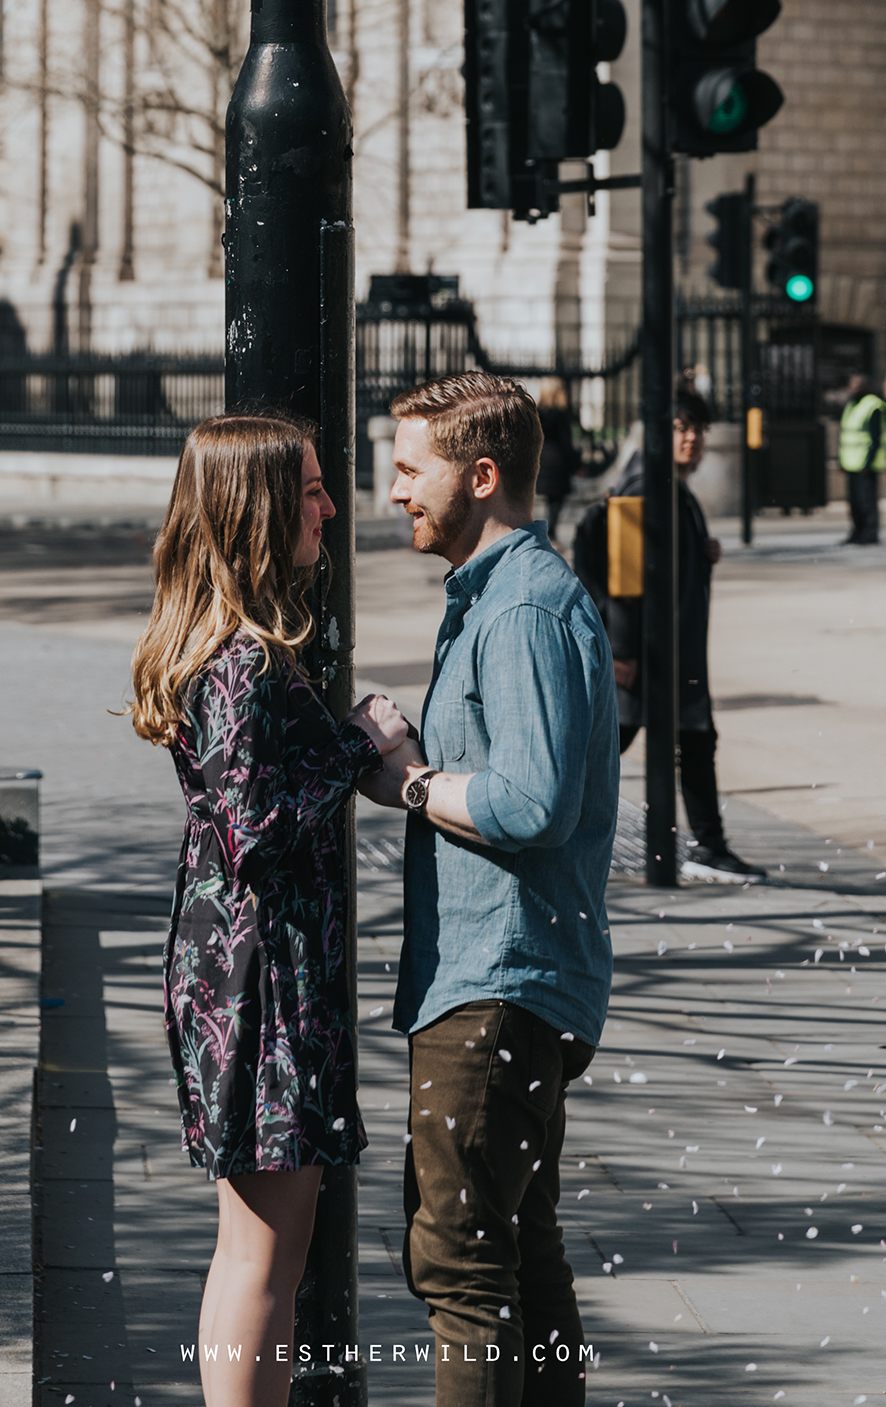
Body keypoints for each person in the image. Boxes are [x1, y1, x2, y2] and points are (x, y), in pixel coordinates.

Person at [130, 416, 401, 1407]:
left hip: (238, 975)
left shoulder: (220, 647)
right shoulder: (243, 663)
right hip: (261, 990)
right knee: (263, 1264)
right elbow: (254, 834)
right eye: (314, 490)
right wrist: (357, 743)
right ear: (260, 510)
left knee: (249, 1255)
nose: (330, 507)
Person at [378, 370, 619, 1407]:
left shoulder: (518, 607)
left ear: (479, 475)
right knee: (517, 1252)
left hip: (497, 982)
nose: (392, 491)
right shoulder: (503, 595)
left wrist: (407, 780)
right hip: (514, 976)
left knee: (458, 1266)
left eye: (407, 469)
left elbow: (529, 805)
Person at [572, 386, 761, 882]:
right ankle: (554, 836)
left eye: (698, 429)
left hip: (668, 655)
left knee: (690, 742)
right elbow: (625, 579)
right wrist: (620, 653)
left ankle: (709, 847)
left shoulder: (669, 490)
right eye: (681, 428)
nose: (692, 439)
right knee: (608, 748)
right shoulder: (644, 489)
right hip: (647, 658)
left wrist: (702, 551)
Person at [834, 370, 886, 546]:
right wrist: (841, 460)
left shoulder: (873, 405)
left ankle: (869, 534)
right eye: (851, 384)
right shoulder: (850, 405)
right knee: (854, 503)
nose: (852, 388)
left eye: (856, 385)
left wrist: (869, 462)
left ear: (865, 387)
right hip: (851, 462)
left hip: (866, 464)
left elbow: (876, 437)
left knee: (867, 502)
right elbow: (846, 434)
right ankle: (857, 533)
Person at [534, 378, 578, 547]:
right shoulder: (561, 415)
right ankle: (550, 533)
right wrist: (576, 463)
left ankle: (545, 532)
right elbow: (566, 443)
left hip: (542, 460)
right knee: (557, 501)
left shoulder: (537, 413)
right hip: (558, 463)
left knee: (548, 501)